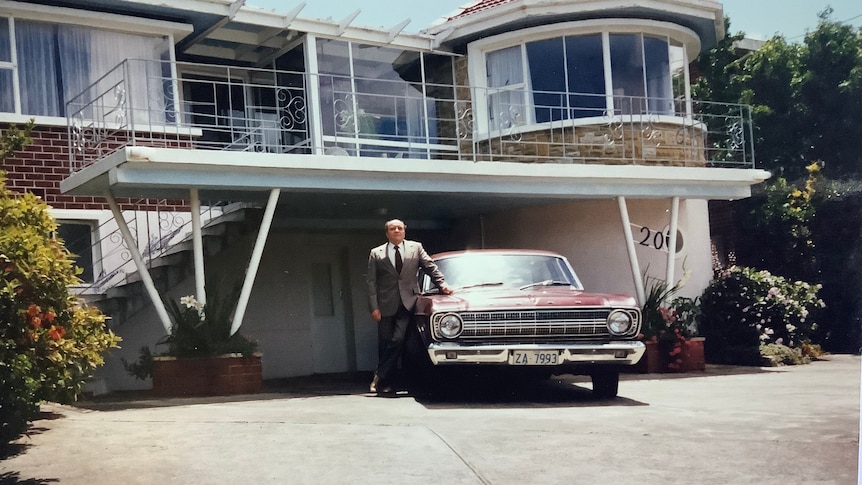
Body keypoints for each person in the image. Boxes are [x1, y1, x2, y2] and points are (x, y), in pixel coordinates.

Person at [366, 218, 452, 396]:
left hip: (408, 302)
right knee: (385, 344)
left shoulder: (416, 247)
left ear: (404, 231)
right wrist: (374, 307)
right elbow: (371, 282)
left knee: (398, 340)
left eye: (399, 228)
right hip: (385, 304)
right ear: (387, 233)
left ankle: (378, 376)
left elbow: (430, 267)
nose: (396, 230)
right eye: (392, 228)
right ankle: (386, 385)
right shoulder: (376, 253)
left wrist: (442, 284)